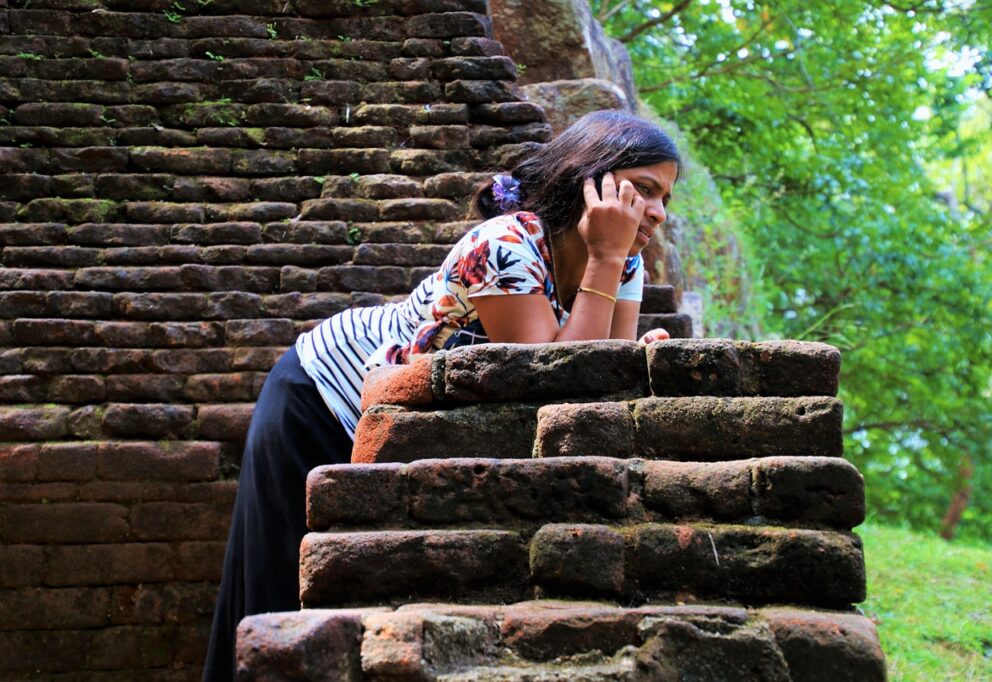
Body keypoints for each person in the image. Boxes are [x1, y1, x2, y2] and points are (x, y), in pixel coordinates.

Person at [202, 110, 680, 680]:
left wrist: (631, 351)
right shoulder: (507, 244)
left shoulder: (624, 262)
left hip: (405, 419)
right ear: (593, 181)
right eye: (644, 190)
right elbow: (556, 376)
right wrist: (603, 260)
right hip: (324, 396)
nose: (655, 212)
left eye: (666, 199)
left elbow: (595, 389)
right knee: (281, 588)